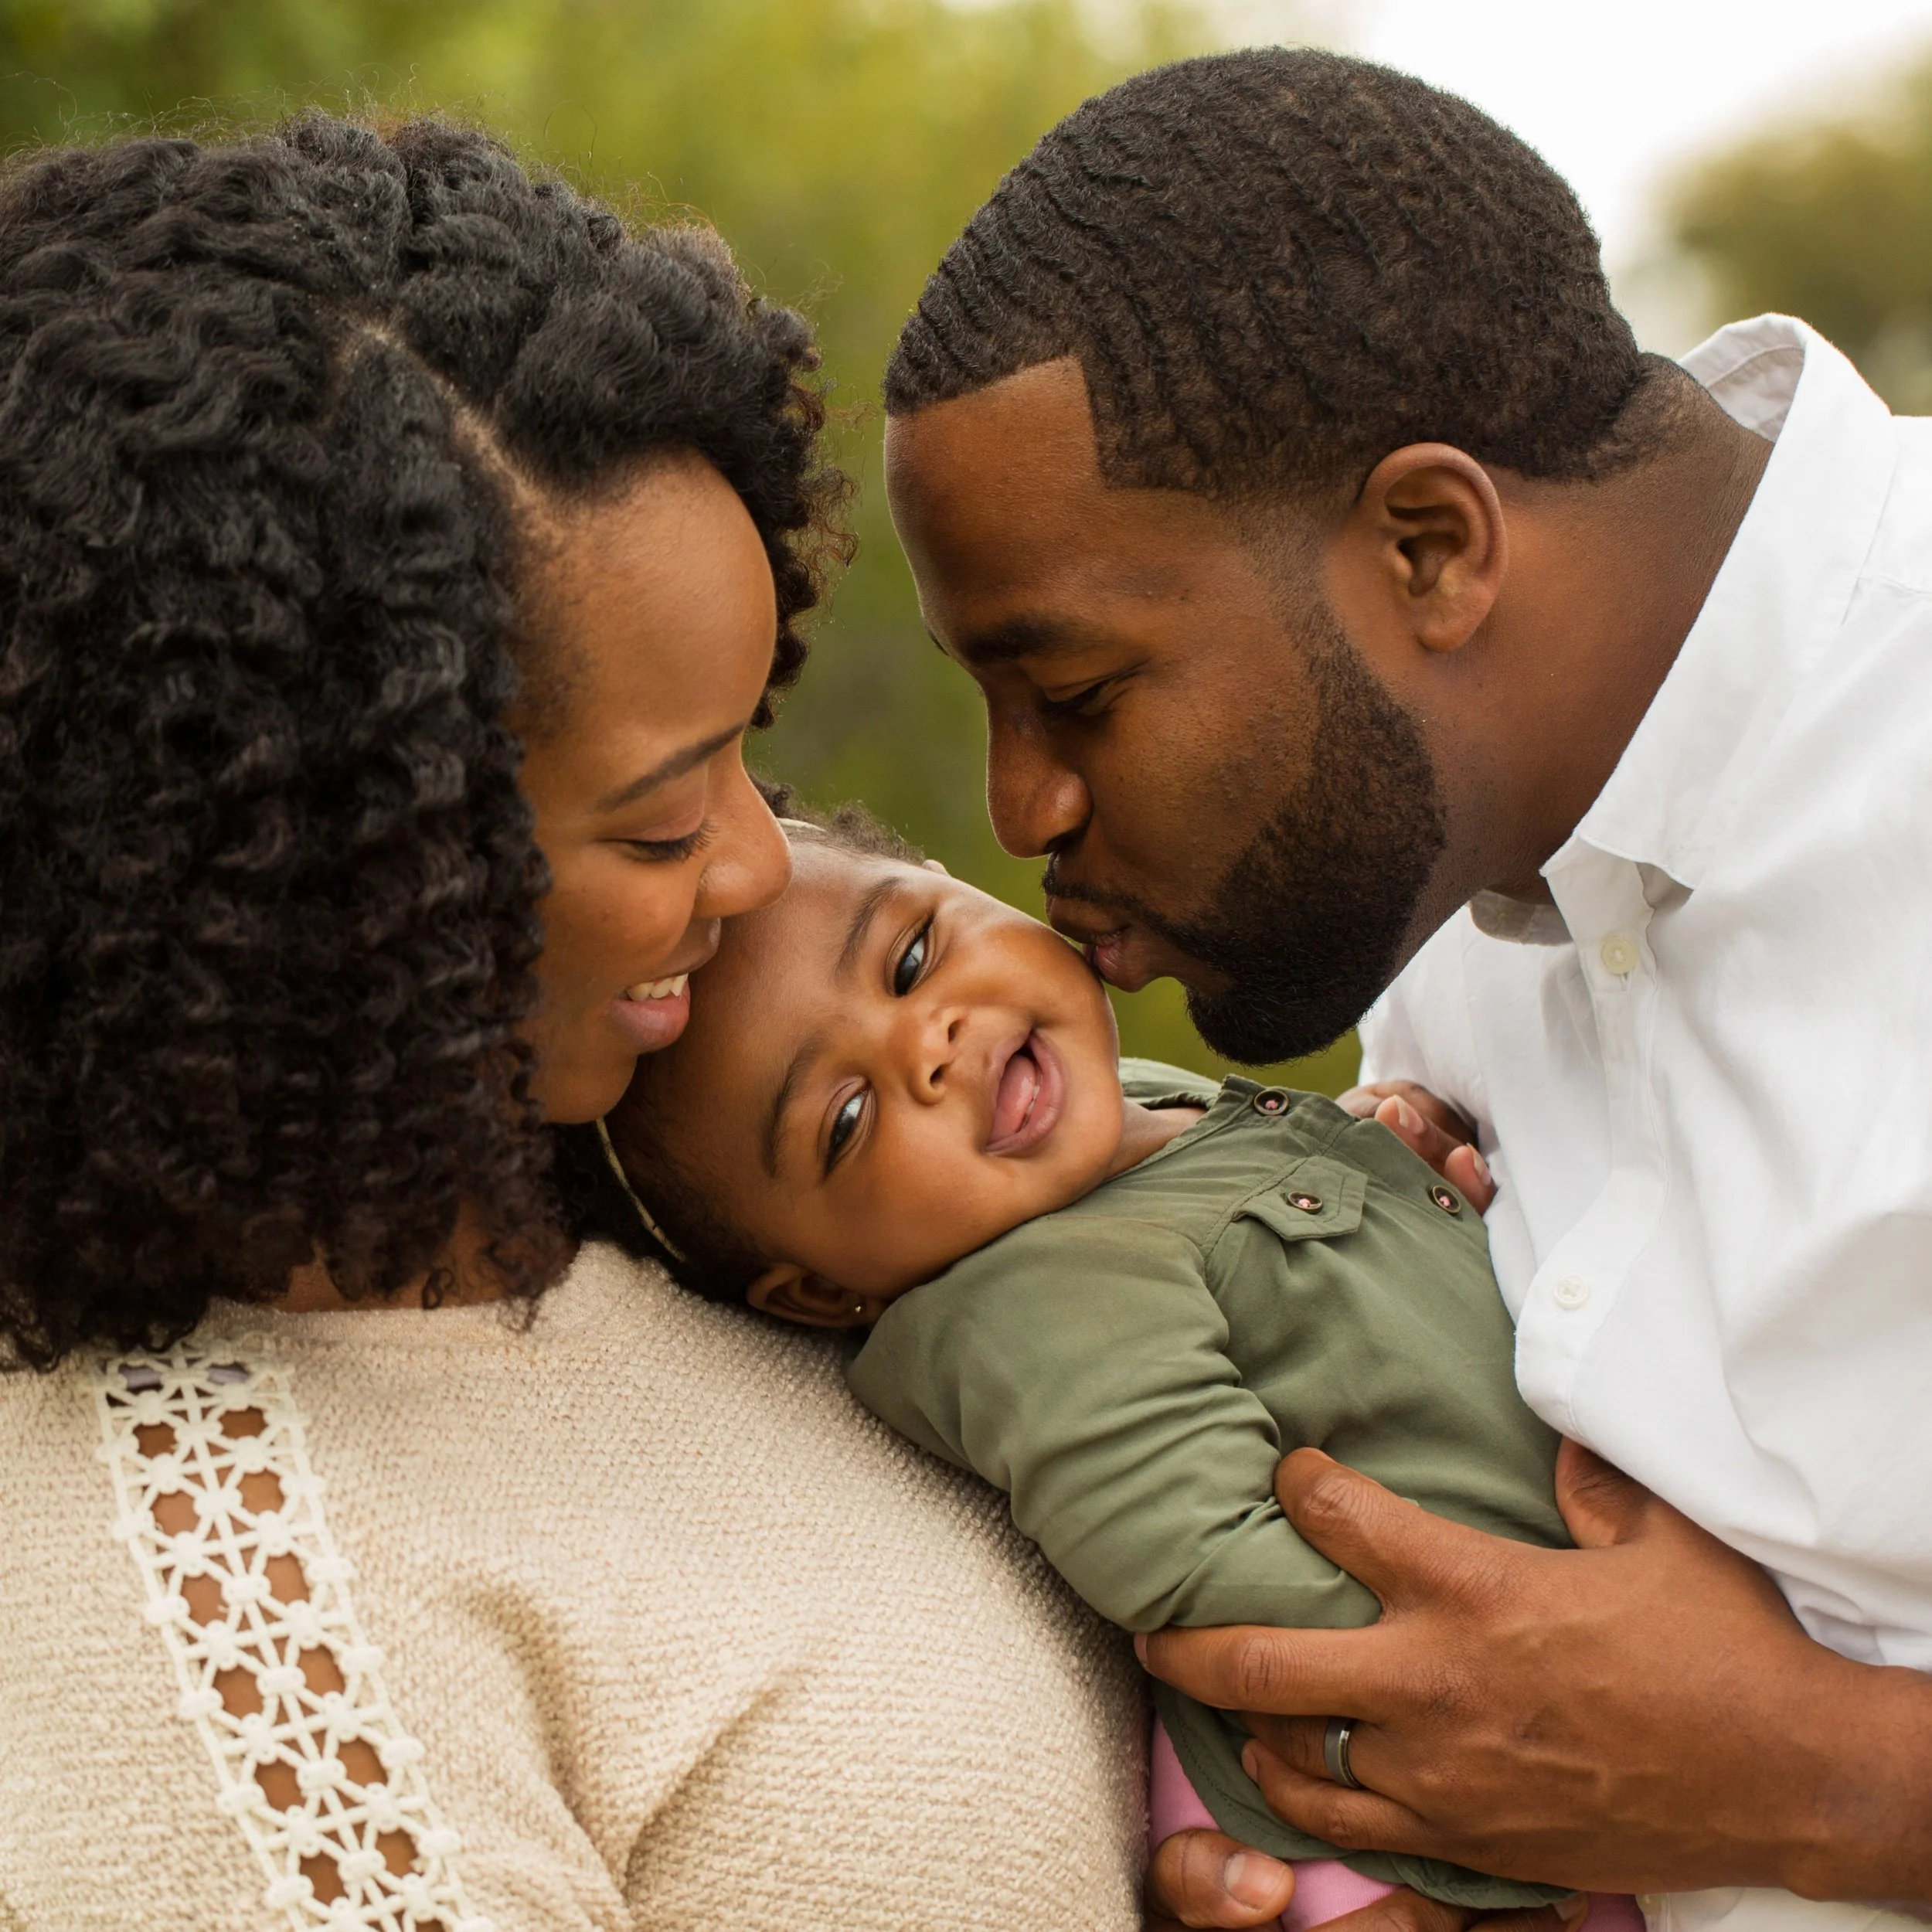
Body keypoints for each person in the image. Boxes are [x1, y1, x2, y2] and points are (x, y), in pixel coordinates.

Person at [0, 117, 1148, 1930]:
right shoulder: (218, 1625)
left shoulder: (696, 1194)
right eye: (665, 819)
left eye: (748, 752)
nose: (768, 869)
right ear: (342, 874)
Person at [880, 45, 1932, 1932]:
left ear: (1428, 545)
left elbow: (1722, 1755)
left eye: (1078, 691)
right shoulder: (1446, 925)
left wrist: (1827, 1780)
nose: (1020, 807)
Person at [597, 806, 1645, 1930]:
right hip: (1445, 1819)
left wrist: (1360, 1166)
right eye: (847, 1118)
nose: (930, 1046)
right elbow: (1220, 1582)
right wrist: (1583, 1674)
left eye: (911, 957)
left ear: (964, 887)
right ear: (817, 1289)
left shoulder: (1132, 1114)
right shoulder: (1027, 1308)